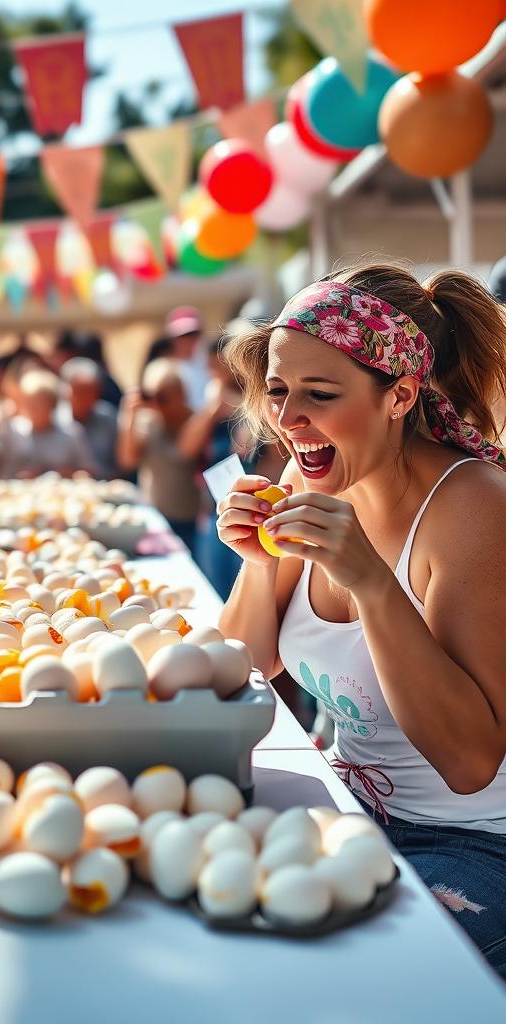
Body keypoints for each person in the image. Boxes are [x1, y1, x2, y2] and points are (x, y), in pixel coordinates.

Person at [216, 262, 506, 977]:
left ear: (400, 395)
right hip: (350, 808)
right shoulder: (305, 476)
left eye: (319, 394)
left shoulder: (473, 507)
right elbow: (244, 669)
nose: (286, 422)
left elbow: (470, 764)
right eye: (278, 392)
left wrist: (373, 585)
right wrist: (257, 563)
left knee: (356, 968)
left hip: (475, 840)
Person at [179, 337, 247, 597]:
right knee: (214, 590)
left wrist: (238, 410)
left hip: (248, 511)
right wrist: (212, 410)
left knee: (240, 592)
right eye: (210, 367)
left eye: (219, 366)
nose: (214, 373)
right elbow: (187, 448)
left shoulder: (259, 399)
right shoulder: (212, 400)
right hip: (214, 510)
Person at [116, 358, 200, 552]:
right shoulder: (147, 422)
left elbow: (184, 451)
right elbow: (127, 461)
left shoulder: (195, 420)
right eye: (151, 396)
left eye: (163, 397)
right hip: (154, 516)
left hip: (189, 519)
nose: (157, 404)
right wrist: (129, 415)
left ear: (181, 393)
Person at [0, 369, 98, 481]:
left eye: (39, 404)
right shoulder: (11, 430)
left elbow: (89, 473)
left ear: (53, 404)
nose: (33, 409)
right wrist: (2, 413)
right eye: (29, 403)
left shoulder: (71, 433)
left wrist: (64, 475)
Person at [58, 357, 118, 479]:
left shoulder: (108, 417)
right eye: (80, 391)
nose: (86, 398)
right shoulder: (54, 419)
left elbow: (120, 464)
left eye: (91, 391)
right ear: (65, 390)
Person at [163, 306, 210, 411]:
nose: (189, 340)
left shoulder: (213, 364)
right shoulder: (166, 371)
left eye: (194, 334)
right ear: (172, 339)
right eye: (183, 335)